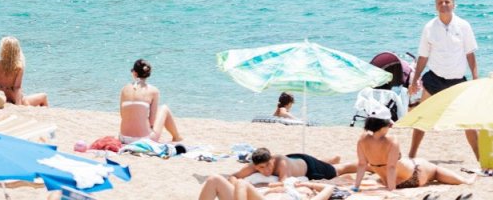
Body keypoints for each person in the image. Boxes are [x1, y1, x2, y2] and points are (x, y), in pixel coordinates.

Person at [408, 0, 478, 159]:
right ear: (435, 5)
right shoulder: (429, 28)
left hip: (458, 81)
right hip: (435, 78)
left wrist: (475, 80)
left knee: (468, 121)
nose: (444, 5)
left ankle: (480, 159)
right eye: (440, 2)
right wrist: (415, 80)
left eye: (447, 2)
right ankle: (411, 156)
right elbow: (423, 56)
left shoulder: (463, 26)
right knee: (422, 117)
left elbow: (470, 54)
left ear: (453, 4)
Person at [355, 108, 468, 190]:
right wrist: (391, 190)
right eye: (389, 125)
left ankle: (464, 180)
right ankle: (466, 181)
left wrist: (356, 187)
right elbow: (391, 167)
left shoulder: (362, 140)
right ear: (385, 124)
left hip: (387, 181)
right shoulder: (391, 140)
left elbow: (361, 165)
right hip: (412, 177)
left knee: (418, 162)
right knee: (434, 170)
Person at [119, 57, 180, 143]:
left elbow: (122, 115)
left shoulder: (124, 89)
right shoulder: (154, 91)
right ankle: (177, 137)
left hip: (123, 138)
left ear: (135, 73)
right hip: (143, 139)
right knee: (164, 108)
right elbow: (152, 121)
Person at [0, 36, 47, 107]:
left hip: (2, 97)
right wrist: (18, 104)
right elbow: (17, 87)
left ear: (2, 50)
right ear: (17, 50)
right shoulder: (18, 67)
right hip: (14, 98)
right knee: (44, 96)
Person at [230, 148, 345, 183]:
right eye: (261, 168)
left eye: (268, 165)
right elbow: (233, 176)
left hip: (309, 167)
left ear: (272, 160)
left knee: (338, 170)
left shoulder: (281, 164)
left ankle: (362, 165)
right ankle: (332, 159)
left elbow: (283, 184)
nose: (266, 170)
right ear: (255, 167)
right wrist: (236, 182)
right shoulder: (252, 166)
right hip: (294, 159)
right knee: (322, 163)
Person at [199, 178, 335, 200]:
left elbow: (330, 187)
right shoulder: (282, 188)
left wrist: (309, 185)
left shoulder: (307, 197)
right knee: (214, 180)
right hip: (254, 197)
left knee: (241, 183)